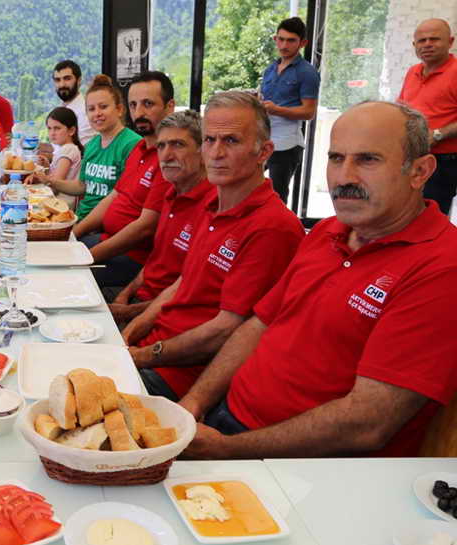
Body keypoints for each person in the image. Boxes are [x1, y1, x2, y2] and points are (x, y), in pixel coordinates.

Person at [181, 101, 457, 459]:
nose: (344, 178)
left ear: (420, 171)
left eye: (367, 160)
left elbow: (368, 422)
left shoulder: (442, 267)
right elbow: (259, 324)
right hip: (226, 422)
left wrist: (226, 449)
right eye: (336, 158)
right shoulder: (328, 231)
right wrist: (194, 402)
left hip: (296, 465)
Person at [123, 91, 304, 401]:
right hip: (153, 349)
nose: (217, 153)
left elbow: (225, 330)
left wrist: (141, 355)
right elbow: (182, 283)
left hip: (180, 375)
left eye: (231, 141)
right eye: (210, 140)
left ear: (264, 151)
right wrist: (130, 331)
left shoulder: (272, 226)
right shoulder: (213, 207)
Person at [74, 72, 176, 290]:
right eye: (133, 105)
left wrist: (87, 257)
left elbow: (144, 228)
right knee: (47, 252)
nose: (139, 113)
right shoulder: (140, 148)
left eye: (148, 104)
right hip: (105, 238)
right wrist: (75, 232)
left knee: (63, 277)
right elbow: (114, 196)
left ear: (169, 107)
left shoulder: (169, 159)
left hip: (132, 256)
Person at [109, 110, 213, 324]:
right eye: (161, 146)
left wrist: (128, 312)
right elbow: (155, 261)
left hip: (164, 316)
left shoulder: (213, 207)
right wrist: (125, 294)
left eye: (178, 145)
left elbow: (189, 293)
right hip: (137, 300)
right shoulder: (171, 194)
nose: (166, 156)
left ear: (203, 152)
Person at [34, 75, 140, 221]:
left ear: (119, 109)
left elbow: (124, 199)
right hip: (81, 217)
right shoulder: (92, 145)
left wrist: (77, 230)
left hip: (104, 224)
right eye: (91, 109)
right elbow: (81, 186)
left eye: (103, 107)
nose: (97, 113)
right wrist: (48, 180)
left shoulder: (133, 144)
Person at [398, 18, 457, 216]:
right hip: (412, 156)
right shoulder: (413, 72)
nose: (427, 44)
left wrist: (438, 134)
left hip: (444, 161)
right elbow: (401, 109)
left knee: (430, 217)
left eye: (434, 39)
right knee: (405, 214)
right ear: (414, 45)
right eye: (422, 40)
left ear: (450, 42)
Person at [258, 16, 320, 204]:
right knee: (251, 189)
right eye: (281, 39)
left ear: (303, 43)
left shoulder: (307, 72)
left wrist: (277, 110)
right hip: (263, 139)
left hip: (287, 144)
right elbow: (264, 99)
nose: (284, 45)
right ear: (275, 39)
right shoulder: (270, 69)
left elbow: (309, 112)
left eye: (291, 40)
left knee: (277, 197)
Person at [39, 106, 84, 209]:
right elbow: (55, 178)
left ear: (71, 131)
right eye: (49, 128)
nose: (52, 133)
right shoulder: (65, 149)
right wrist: (47, 167)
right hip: (58, 202)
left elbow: (55, 187)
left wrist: (40, 177)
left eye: (57, 128)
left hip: (61, 205)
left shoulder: (68, 149)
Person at [52, 59, 95, 145]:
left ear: (79, 81)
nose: (62, 85)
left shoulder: (85, 111)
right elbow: (59, 147)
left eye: (67, 79)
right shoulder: (63, 108)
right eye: (58, 80)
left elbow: (81, 149)